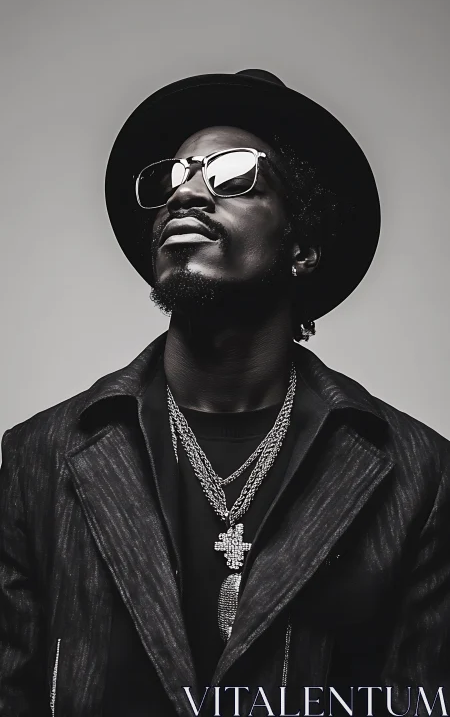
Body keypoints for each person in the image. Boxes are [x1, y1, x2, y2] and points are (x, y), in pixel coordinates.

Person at [1, 69, 450, 717]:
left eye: (234, 174)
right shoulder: (37, 458)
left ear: (301, 248)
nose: (186, 193)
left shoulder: (420, 477)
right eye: (174, 176)